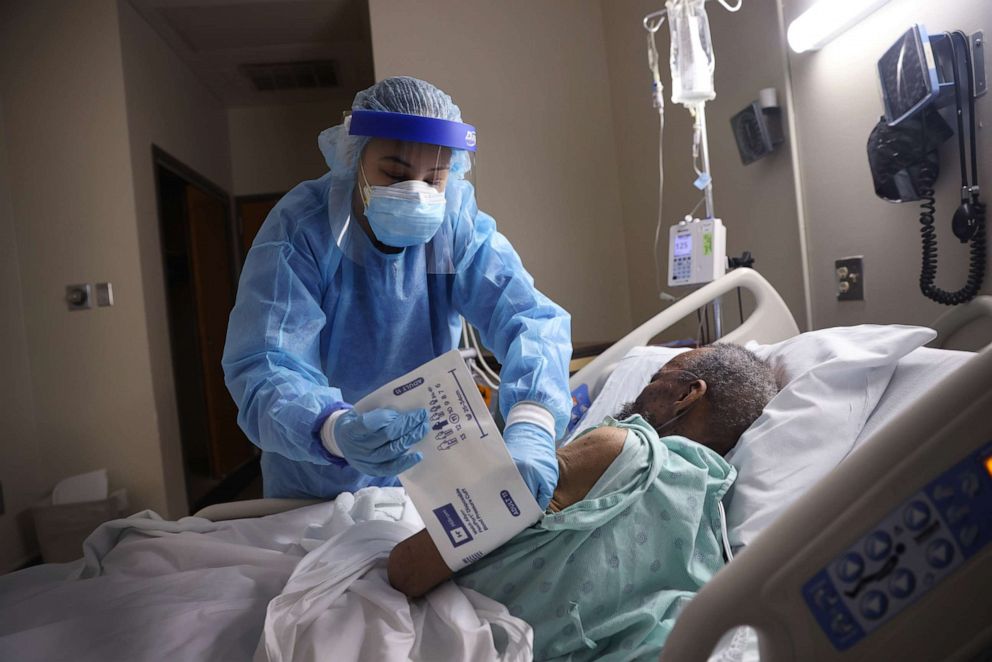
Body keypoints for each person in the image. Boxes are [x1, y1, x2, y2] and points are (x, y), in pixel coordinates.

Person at [222, 77, 572, 506]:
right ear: (354, 156)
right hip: (312, 487)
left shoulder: (454, 225)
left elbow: (530, 320)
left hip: (425, 477)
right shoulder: (303, 228)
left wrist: (533, 422)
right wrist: (333, 429)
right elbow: (265, 364)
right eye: (394, 172)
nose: (417, 193)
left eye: (436, 178)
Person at [388, 344, 778, 660]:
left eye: (658, 378)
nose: (642, 390)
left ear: (687, 393)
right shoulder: (712, 530)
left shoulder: (621, 448)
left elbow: (406, 570)